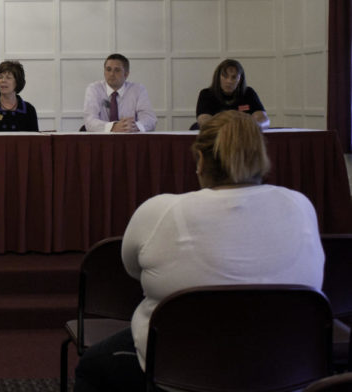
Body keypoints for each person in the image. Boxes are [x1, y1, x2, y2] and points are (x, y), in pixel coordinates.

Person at [73, 111, 324, 392]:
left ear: (201, 160)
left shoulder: (159, 210)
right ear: (260, 157)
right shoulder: (301, 206)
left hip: (177, 373)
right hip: (285, 370)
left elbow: (131, 270)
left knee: (92, 367)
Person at [82, 53, 156, 132]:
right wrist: (113, 127)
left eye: (117, 70)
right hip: (101, 140)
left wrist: (135, 126)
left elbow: (150, 119)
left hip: (130, 139)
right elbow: (89, 121)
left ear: (126, 74)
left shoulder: (138, 90)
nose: (111, 74)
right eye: (108, 69)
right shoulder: (94, 89)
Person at [195, 58, 269, 129]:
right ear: (218, 77)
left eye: (234, 77)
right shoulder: (206, 94)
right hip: (216, 136)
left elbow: (264, 120)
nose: (229, 81)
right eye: (225, 76)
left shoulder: (248, 93)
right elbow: (203, 121)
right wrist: (228, 130)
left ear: (240, 80)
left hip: (243, 134)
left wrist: (250, 127)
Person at [0, 60, 39, 132]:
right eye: (0, 77)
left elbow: (35, 141)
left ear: (17, 81)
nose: (3, 80)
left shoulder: (29, 110)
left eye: (8, 78)